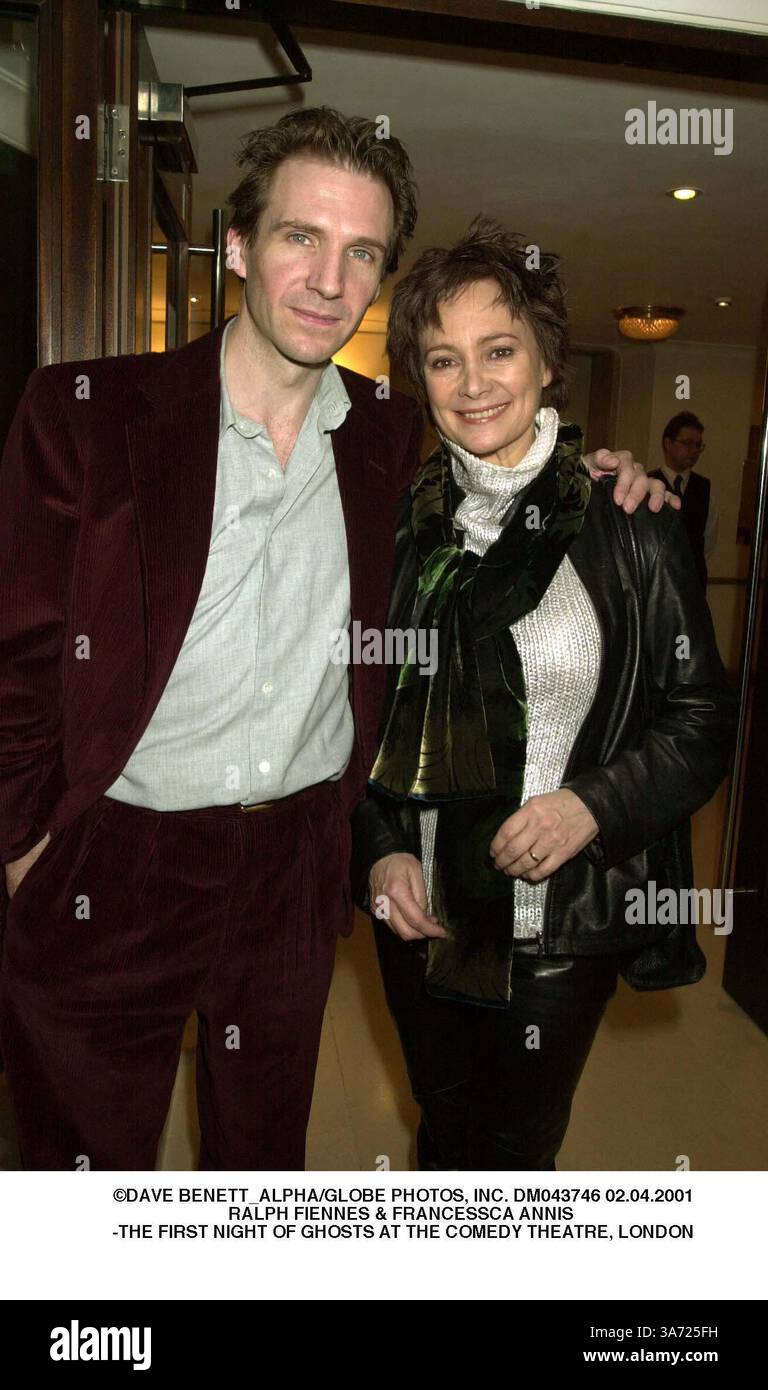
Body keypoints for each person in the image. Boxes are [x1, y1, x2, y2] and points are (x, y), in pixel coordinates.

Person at [0, 108, 674, 1172]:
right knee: (81, 1175)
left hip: (292, 865)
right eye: (299, 238)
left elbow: (507, 450)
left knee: (262, 1165)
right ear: (237, 246)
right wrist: (24, 844)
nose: (328, 277)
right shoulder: (87, 412)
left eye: (361, 251)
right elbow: (17, 654)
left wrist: (602, 474)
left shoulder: (392, 437)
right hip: (114, 854)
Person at [351, 218, 739, 1172]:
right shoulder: (395, 525)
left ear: (546, 361)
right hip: (421, 922)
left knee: (515, 1161)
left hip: (560, 924)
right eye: (444, 360)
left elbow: (703, 721)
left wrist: (589, 806)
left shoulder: (629, 523)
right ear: (419, 378)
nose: (474, 382)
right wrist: (383, 851)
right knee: (441, 1137)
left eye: (498, 350)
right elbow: (357, 717)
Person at [648, 412, 717, 589]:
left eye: (698, 445)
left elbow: (708, 540)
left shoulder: (705, 488)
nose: (694, 451)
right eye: (687, 443)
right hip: (655, 580)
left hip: (693, 582)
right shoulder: (648, 483)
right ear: (668, 443)